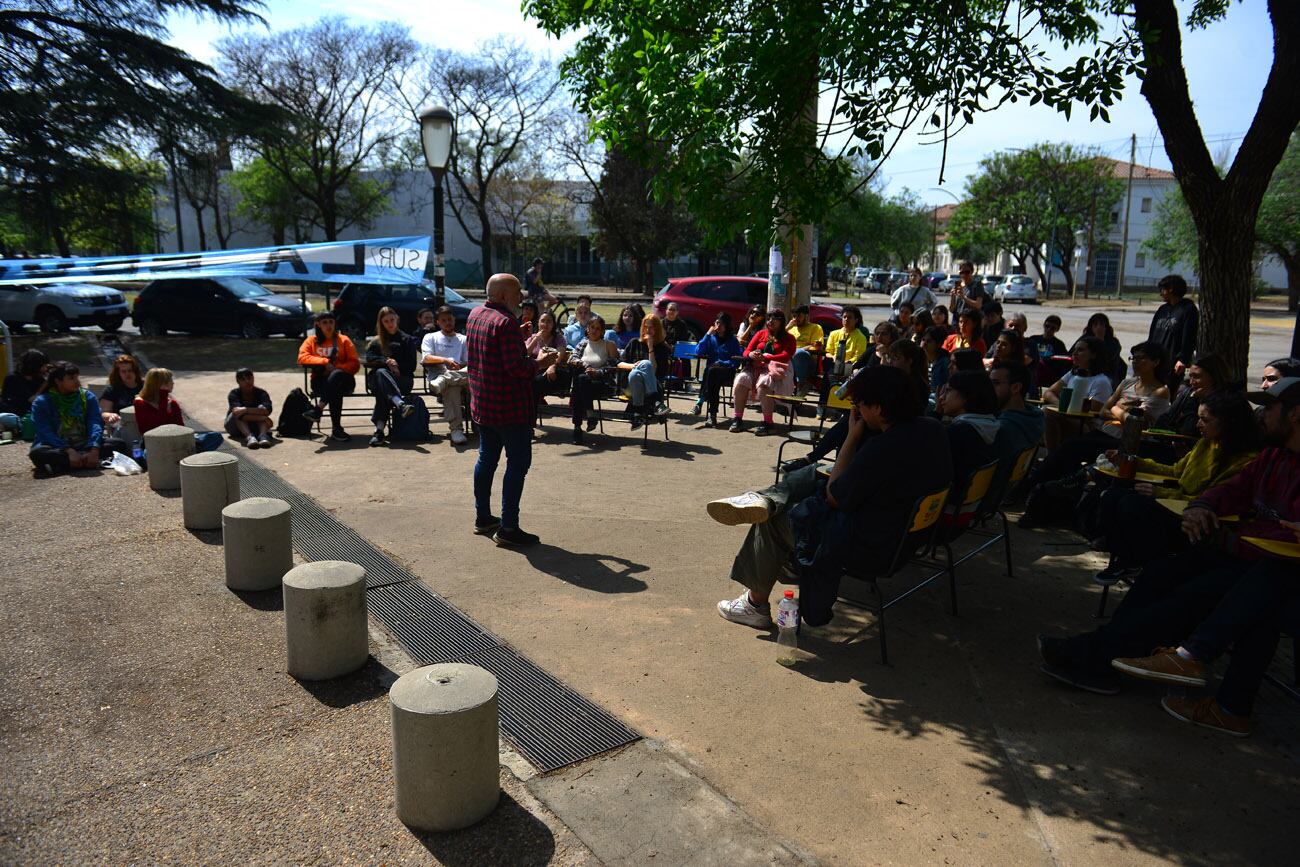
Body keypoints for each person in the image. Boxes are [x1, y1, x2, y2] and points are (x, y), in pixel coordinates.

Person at [1037, 377, 1300, 725]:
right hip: (1245, 557)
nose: (1261, 414)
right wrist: (1201, 506)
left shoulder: (1268, 455)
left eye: (1270, 408)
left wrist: (1218, 533)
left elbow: (1281, 544)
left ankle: (1100, 656)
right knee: (1161, 571)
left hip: (1268, 571)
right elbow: (1232, 490)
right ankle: (1109, 656)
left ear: (1295, 414)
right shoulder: (1273, 456)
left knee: (1191, 592)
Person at [709, 365, 953, 628]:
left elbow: (835, 495)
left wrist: (851, 437)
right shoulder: (932, 429)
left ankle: (754, 605)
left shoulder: (882, 447)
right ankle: (766, 501)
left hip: (872, 546)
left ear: (879, 408)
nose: (856, 410)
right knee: (813, 477)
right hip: (910, 534)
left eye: (859, 403)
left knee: (775, 522)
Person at [1090, 392, 1260, 583]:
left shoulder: (1246, 462)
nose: (1198, 425)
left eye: (1205, 420)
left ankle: (1135, 560)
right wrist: (1136, 462)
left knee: (1132, 504)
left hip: (1194, 521)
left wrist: (1160, 493)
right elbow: (1176, 471)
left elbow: (1212, 501)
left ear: (1228, 423)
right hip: (1175, 503)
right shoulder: (1206, 443)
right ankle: (1124, 556)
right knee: (1114, 494)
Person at [467, 273, 559, 545]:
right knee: (517, 465)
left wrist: (517, 338)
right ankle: (508, 528)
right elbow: (517, 368)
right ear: (505, 295)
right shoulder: (506, 322)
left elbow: (489, 350)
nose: (522, 297)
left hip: (484, 404)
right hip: (509, 408)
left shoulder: (476, 314)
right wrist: (541, 362)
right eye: (517, 291)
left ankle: (483, 517)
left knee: (486, 460)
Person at [781, 338, 931, 475]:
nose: (891, 363)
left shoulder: (915, 385)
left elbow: (896, 412)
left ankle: (820, 463)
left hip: (892, 431)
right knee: (849, 420)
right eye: (890, 358)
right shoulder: (897, 378)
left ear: (909, 361)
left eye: (896, 359)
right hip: (881, 424)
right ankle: (822, 463)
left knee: (851, 424)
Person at [27, 362, 106, 473]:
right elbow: (44, 431)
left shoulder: (88, 397)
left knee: (118, 444)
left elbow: (95, 423)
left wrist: (94, 448)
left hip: (84, 444)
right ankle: (82, 461)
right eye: (71, 378)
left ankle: (63, 466)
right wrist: (69, 450)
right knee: (37, 453)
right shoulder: (42, 402)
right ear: (58, 381)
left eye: (77, 377)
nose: (77, 382)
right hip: (57, 447)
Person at [729, 308, 796, 435]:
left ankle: (768, 423)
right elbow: (746, 351)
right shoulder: (761, 334)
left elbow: (786, 355)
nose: (770, 321)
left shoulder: (789, 338)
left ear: (781, 321)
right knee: (741, 379)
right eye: (769, 318)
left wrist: (766, 357)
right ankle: (737, 418)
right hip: (755, 366)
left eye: (774, 319)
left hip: (778, 369)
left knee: (765, 383)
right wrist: (752, 354)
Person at [1040, 337, 1113, 448]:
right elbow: (1049, 392)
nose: (1074, 353)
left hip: (1087, 426)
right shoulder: (1073, 374)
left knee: (1048, 413)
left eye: (1080, 350)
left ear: (1093, 355)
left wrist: (1063, 408)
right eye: (1075, 350)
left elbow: (1093, 409)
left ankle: (1051, 456)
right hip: (1067, 417)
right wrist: (1061, 405)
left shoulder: (1101, 381)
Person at [299, 311, 361, 442]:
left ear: (335, 324)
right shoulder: (311, 341)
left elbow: (355, 364)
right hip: (320, 381)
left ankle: (318, 410)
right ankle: (337, 430)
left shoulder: (343, 340)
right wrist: (325, 362)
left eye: (331, 322)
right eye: (325, 322)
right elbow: (302, 358)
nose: (328, 325)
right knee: (334, 390)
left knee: (337, 376)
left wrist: (336, 368)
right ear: (318, 325)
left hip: (345, 381)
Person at [936, 370, 1001, 488]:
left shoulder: (958, 432)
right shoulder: (991, 424)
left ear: (966, 395)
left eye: (948, 391)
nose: (941, 397)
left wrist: (936, 413)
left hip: (951, 499)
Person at [989, 360, 1044, 494]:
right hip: (1007, 490)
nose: (988, 389)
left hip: (985, 496)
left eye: (995, 384)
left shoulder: (1003, 427)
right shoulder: (1034, 416)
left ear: (1015, 388)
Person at [133, 368, 223, 450]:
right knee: (146, 454)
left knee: (215, 437)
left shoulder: (172, 403)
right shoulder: (140, 403)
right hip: (154, 443)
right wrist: (163, 399)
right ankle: (193, 452)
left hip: (177, 440)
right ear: (159, 384)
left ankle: (193, 450)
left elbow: (180, 426)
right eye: (169, 381)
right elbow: (151, 430)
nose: (172, 383)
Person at [1151, 353, 1232, 440]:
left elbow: (1190, 431)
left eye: (1197, 377)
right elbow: (1161, 422)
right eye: (1190, 377)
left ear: (1214, 377)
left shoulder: (1226, 403)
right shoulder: (1187, 393)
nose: (1191, 382)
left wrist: (1192, 400)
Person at [421, 305, 471, 446]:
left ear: (454, 319)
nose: (448, 322)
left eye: (450, 319)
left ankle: (446, 379)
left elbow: (468, 362)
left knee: (469, 371)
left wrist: (457, 366)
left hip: (462, 376)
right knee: (452, 387)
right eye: (444, 320)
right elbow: (426, 358)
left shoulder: (463, 339)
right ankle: (456, 430)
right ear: (438, 322)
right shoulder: (430, 337)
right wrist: (445, 360)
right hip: (438, 376)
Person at [567, 315, 620, 443]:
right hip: (585, 383)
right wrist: (587, 367)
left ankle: (578, 427)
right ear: (587, 329)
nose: (594, 330)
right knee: (582, 380)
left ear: (602, 331)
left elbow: (613, 367)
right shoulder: (583, 343)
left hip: (602, 383)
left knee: (579, 384)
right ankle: (587, 417)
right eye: (592, 327)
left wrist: (598, 372)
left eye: (598, 328)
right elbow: (572, 359)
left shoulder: (609, 345)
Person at [617, 312, 671, 428]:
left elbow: (656, 371)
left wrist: (650, 347)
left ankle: (637, 413)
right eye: (646, 326)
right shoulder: (634, 343)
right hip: (629, 387)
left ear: (657, 329)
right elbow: (619, 363)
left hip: (651, 385)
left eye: (651, 327)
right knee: (640, 367)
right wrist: (633, 366)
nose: (648, 330)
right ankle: (656, 402)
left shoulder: (662, 348)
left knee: (637, 373)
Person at [1147, 274, 1199, 386]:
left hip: (1173, 363)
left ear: (1171, 289)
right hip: (1155, 360)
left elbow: (1190, 337)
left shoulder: (1188, 310)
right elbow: (1152, 334)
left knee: (1168, 394)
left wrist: (1183, 359)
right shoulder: (1162, 309)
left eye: (1162, 289)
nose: (1160, 293)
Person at [694, 312, 743, 426]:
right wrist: (707, 335)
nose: (718, 326)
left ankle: (700, 403)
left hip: (727, 372)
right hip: (712, 375)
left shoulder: (732, 341)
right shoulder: (711, 338)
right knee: (712, 376)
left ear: (727, 326)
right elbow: (698, 352)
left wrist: (722, 363)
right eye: (717, 323)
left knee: (711, 371)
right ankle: (712, 416)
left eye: (721, 324)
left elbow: (736, 361)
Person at [527, 309, 570, 418]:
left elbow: (559, 355)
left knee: (533, 384)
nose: (545, 324)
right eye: (543, 321)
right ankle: (526, 420)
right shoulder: (533, 338)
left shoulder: (559, 338)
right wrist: (535, 339)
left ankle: (529, 421)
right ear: (538, 322)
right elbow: (525, 353)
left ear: (553, 324)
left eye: (549, 321)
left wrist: (552, 366)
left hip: (554, 374)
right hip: (536, 373)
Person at [1, 349, 51, 429]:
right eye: (43, 366)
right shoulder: (14, 379)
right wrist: (46, 383)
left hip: (33, 414)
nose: (45, 369)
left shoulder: (38, 379)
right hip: (15, 415)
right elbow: (32, 399)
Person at [225, 368, 274, 448]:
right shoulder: (234, 394)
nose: (247, 382)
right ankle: (249, 437)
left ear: (253, 378)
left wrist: (246, 410)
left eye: (249, 378)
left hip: (254, 425)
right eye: (243, 380)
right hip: (235, 427)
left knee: (260, 408)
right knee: (236, 413)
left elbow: (267, 410)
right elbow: (238, 414)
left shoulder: (261, 393)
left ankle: (263, 436)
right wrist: (263, 418)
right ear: (238, 382)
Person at [788, 304, 824, 391]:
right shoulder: (791, 328)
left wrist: (797, 350)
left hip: (808, 360)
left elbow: (816, 346)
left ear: (807, 316)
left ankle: (802, 384)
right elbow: (778, 341)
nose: (796, 318)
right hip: (790, 359)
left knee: (799, 353)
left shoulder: (815, 328)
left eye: (799, 316)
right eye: (794, 316)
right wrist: (787, 327)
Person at [1082, 313, 1125, 384]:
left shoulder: (1113, 342)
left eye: (1101, 324)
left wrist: (1100, 340)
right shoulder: (1084, 340)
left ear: (1106, 327)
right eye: (1095, 325)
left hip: (1107, 375)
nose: (1098, 327)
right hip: (1086, 373)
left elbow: (1107, 359)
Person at [97, 354, 144, 418]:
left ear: (136, 371)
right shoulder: (111, 390)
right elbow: (103, 412)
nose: (127, 374)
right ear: (118, 374)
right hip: (121, 424)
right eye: (123, 371)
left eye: (130, 370)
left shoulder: (145, 386)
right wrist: (110, 416)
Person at [921, 326, 952, 392]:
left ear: (938, 344)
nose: (924, 344)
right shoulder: (920, 360)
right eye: (923, 340)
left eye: (929, 341)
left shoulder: (945, 363)